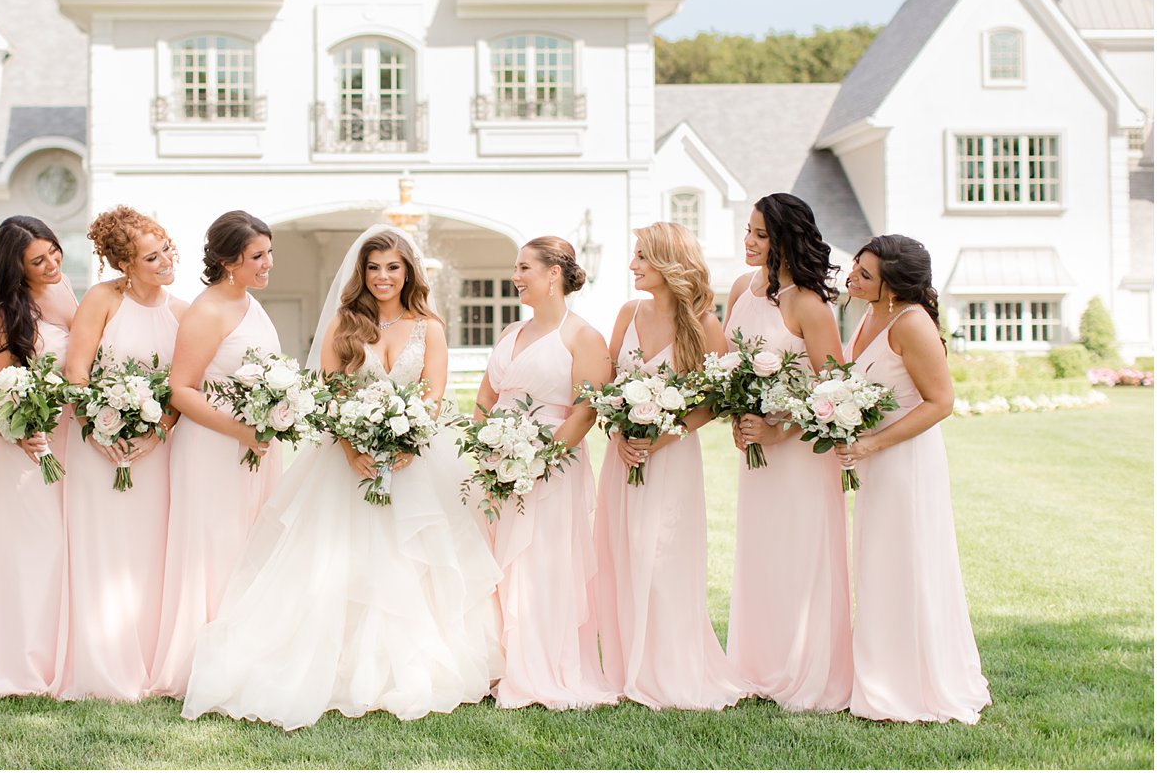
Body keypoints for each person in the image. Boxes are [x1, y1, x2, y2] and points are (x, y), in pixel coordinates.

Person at [182, 226, 502, 729]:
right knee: (336, 560)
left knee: (414, 557)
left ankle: (414, 664)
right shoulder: (342, 325)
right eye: (373, 267)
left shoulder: (429, 328)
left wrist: (407, 444)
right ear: (362, 272)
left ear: (409, 271)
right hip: (344, 461)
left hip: (413, 461)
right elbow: (328, 396)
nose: (382, 277)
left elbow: (434, 397)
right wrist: (353, 448)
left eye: (393, 267)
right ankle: (336, 665)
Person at [593, 223, 750, 710]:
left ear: (668, 263)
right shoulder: (627, 312)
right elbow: (607, 382)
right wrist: (620, 432)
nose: (633, 264)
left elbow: (718, 398)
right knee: (622, 553)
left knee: (663, 558)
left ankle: (670, 669)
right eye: (634, 254)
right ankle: (626, 668)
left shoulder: (702, 323)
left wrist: (662, 436)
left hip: (672, 457)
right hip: (623, 457)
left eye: (642, 256)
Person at [838, 234, 991, 723]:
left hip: (905, 462)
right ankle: (879, 671)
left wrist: (872, 443)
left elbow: (941, 402)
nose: (852, 278)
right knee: (876, 563)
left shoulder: (912, 323)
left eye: (865, 274)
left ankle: (912, 682)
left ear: (892, 285)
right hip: (873, 459)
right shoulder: (868, 315)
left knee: (906, 561)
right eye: (856, 267)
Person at [723, 193, 852, 711]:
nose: (748, 242)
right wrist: (739, 414)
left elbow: (834, 389)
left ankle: (803, 668)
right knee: (761, 553)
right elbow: (729, 364)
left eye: (759, 234)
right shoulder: (739, 288)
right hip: (755, 451)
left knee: (800, 554)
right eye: (747, 231)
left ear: (784, 239)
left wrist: (778, 430)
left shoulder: (807, 303)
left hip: (798, 453)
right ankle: (757, 666)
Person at [477, 236, 617, 710]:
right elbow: (485, 400)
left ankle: (543, 667)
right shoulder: (509, 334)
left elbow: (584, 412)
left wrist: (537, 461)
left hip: (552, 465)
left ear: (553, 273)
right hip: (499, 462)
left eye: (523, 268)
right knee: (500, 564)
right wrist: (487, 449)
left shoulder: (584, 337)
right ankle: (501, 664)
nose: (515, 277)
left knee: (543, 562)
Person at [150, 210, 284, 698]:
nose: (268, 263)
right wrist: (240, 431)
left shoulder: (249, 301)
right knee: (216, 547)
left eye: (269, 253)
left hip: (255, 442)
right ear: (229, 261)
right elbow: (181, 390)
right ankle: (200, 660)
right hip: (214, 446)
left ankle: (248, 649)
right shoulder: (207, 312)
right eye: (257, 256)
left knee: (252, 542)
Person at [56, 208, 187, 701]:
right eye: (152, 257)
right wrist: (98, 428)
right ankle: (105, 668)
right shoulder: (101, 300)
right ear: (124, 265)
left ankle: (151, 663)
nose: (166, 260)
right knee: (104, 550)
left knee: (150, 553)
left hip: (157, 452)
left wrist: (160, 431)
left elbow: (183, 386)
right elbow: (77, 372)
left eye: (167, 248)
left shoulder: (182, 311)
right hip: (96, 449)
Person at [0, 216, 77, 697]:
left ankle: (55, 655)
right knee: (30, 552)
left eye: (54, 254)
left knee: (59, 552)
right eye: (37, 261)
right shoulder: (7, 317)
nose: (51, 265)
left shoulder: (65, 290)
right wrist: (19, 427)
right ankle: (15, 661)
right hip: (22, 451)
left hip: (65, 442)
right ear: (15, 267)